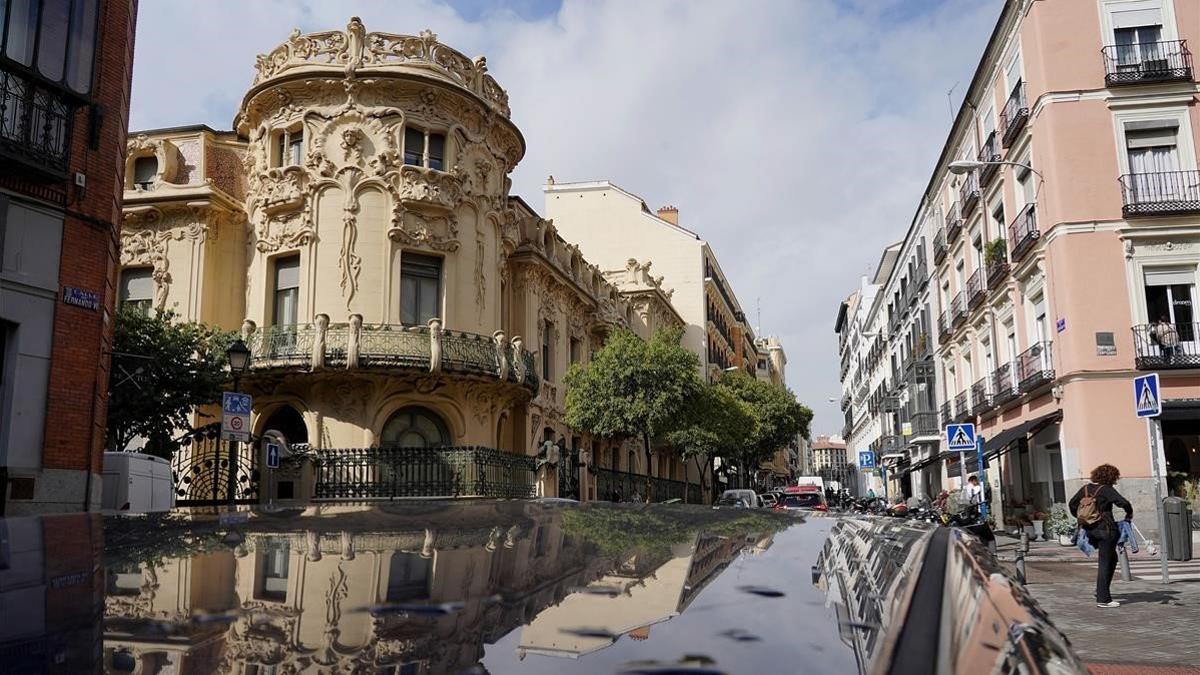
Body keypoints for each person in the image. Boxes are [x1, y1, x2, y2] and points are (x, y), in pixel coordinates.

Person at [1069, 463, 1133, 608]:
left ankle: (1101, 591)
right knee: (1105, 561)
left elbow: (1072, 504)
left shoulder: (1085, 488)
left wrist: (1083, 518)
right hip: (1106, 530)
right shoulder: (1106, 489)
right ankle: (1103, 599)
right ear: (1112, 477)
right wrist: (1129, 513)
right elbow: (1123, 502)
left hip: (1090, 529)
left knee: (1111, 558)